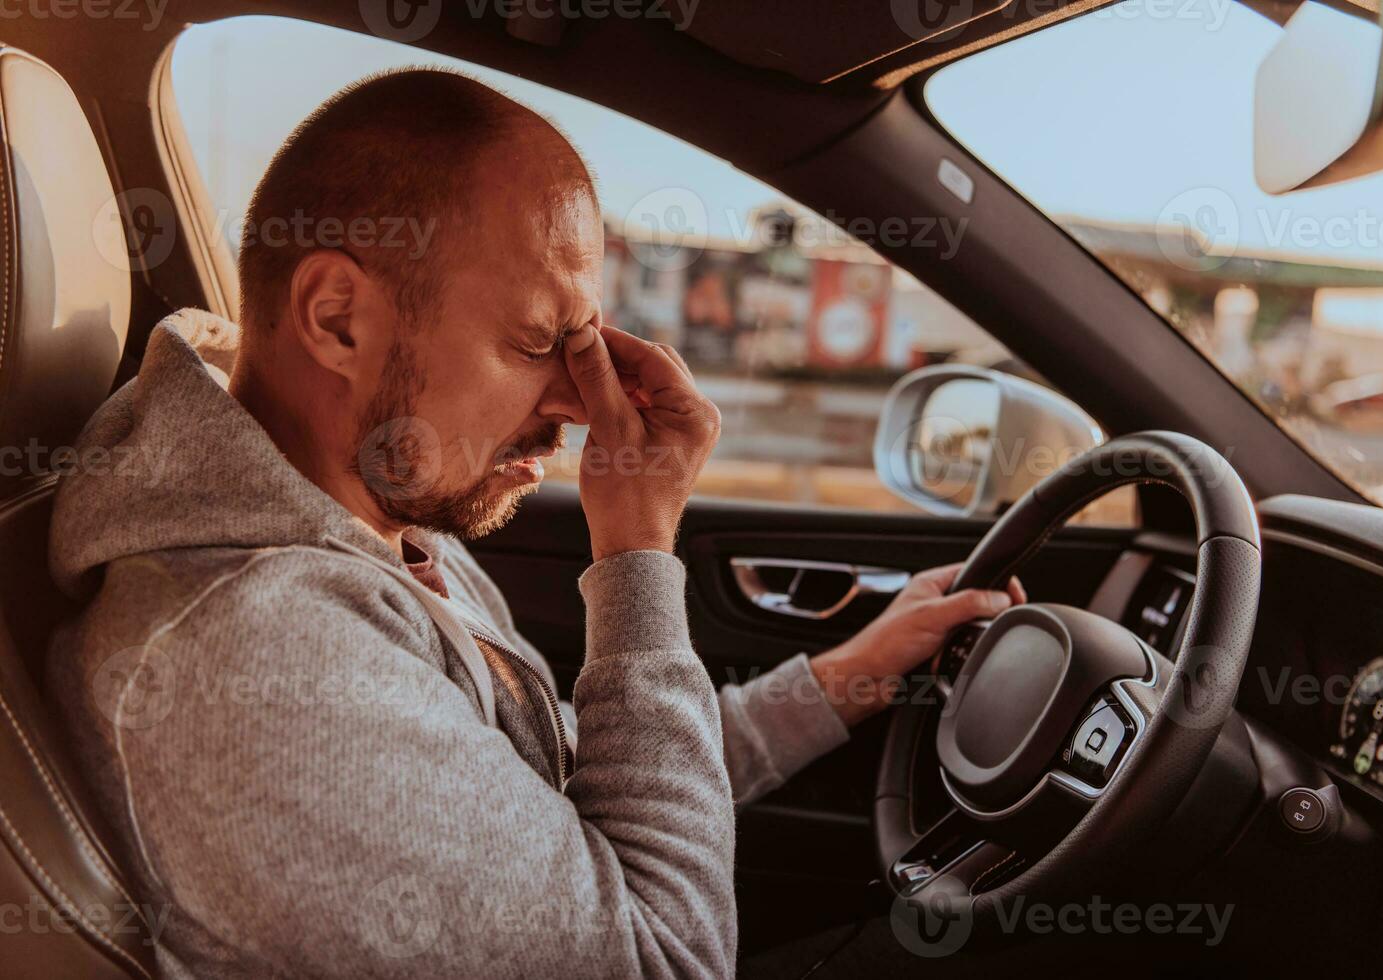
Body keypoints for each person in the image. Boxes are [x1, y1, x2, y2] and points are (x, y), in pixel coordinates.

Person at [48, 68, 1022, 978]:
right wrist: (636, 545)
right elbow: (670, 956)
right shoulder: (255, 655)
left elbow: (578, 782)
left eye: (585, 341)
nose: (580, 400)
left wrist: (852, 673)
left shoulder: (366, 519)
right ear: (338, 319)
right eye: (535, 341)